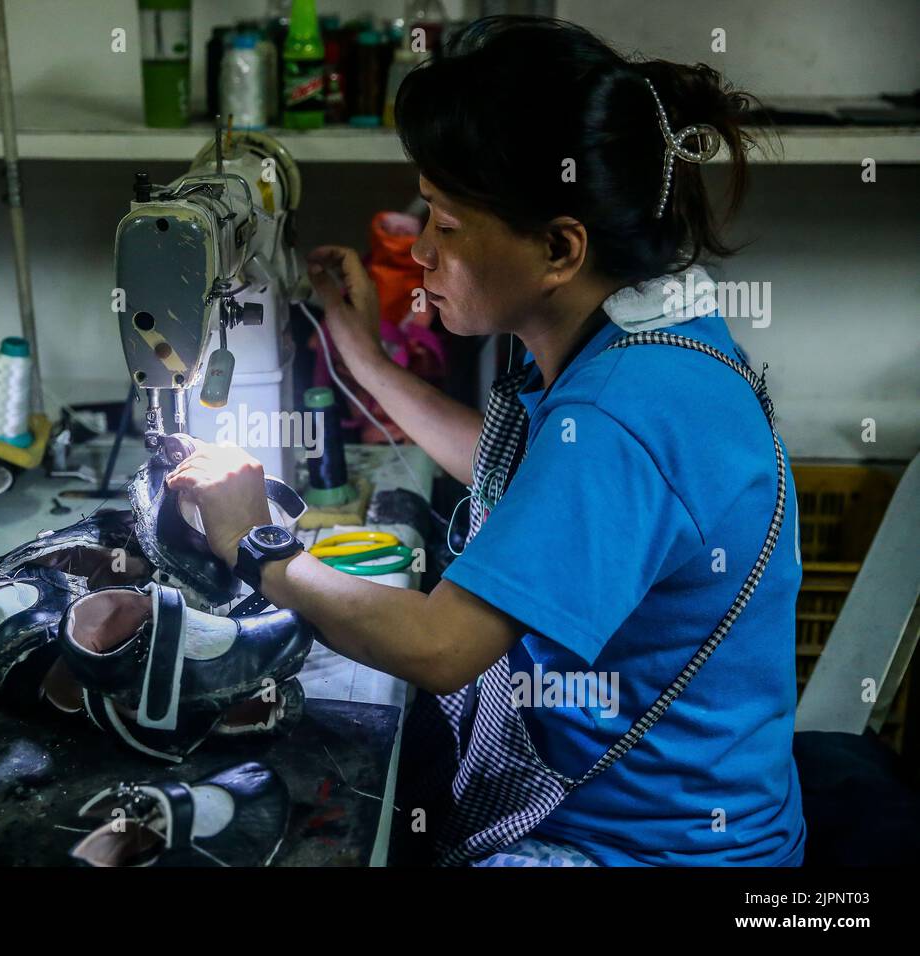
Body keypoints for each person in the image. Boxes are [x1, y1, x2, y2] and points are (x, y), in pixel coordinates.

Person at [165, 16, 805, 866]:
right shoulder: (643, 332)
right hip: (631, 810)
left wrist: (260, 548)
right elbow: (543, 492)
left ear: (558, 247)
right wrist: (367, 358)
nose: (421, 249)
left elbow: (442, 648)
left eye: (445, 224)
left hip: (647, 853)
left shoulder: (627, 411)